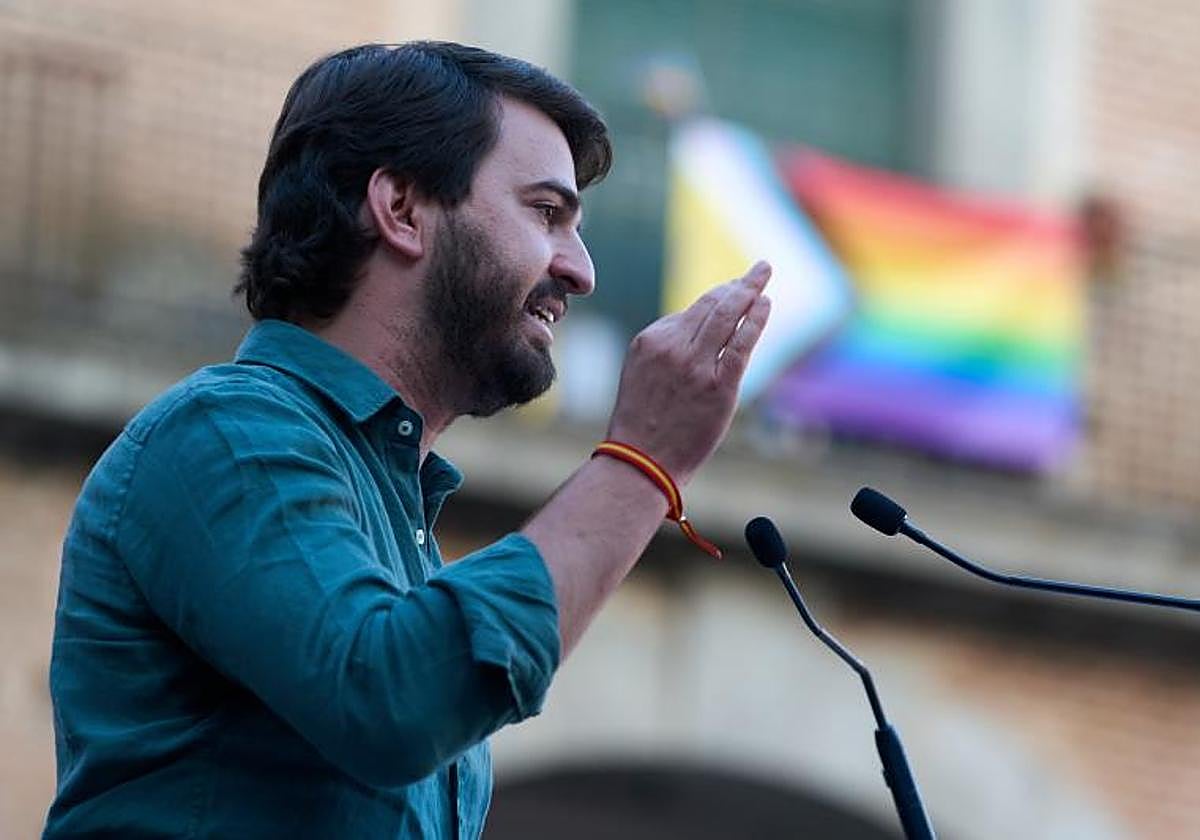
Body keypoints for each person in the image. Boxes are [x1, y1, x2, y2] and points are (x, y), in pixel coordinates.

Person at [44, 41, 771, 838]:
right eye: (546, 213)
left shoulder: (398, 515)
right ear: (401, 210)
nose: (580, 269)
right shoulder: (225, 432)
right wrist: (644, 460)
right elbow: (388, 699)